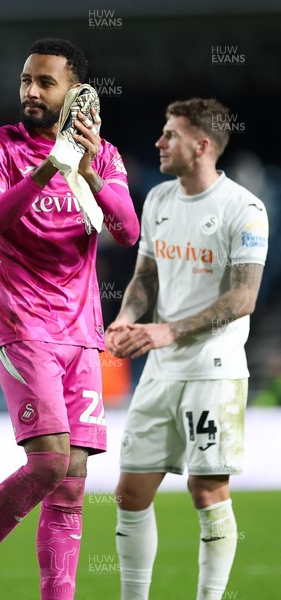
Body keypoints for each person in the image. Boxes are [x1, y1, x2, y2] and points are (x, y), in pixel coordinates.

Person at [0, 38, 139, 600]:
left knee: (71, 484)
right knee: (47, 465)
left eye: (45, 82)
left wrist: (85, 170)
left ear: (74, 92)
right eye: (26, 81)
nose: (31, 92)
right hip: (21, 323)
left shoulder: (103, 154)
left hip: (81, 333)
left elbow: (128, 230)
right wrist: (46, 172)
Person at [106, 97, 269, 600]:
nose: (158, 142)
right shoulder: (156, 200)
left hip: (213, 371)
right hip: (160, 369)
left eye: (170, 134)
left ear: (201, 145)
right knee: (131, 493)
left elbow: (243, 298)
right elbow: (145, 276)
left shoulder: (245, 209)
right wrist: (127, 318)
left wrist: (168, 331)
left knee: (207, 490)